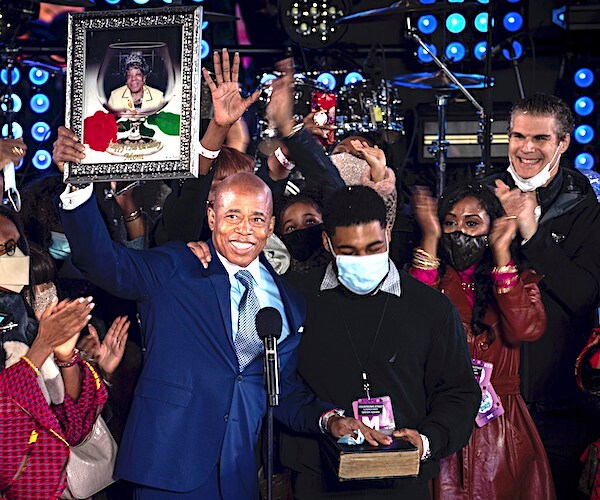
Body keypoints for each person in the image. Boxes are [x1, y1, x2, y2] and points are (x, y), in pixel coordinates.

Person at [53, 167, 389, 498]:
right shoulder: (177, 265)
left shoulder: (290, 302)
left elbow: (280, 391)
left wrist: (329, 419)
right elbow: (104, 263)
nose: (244, 230)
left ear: (270, 226)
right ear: (212, 218)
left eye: (257, 219)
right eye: (232, 216)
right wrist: (79, 189)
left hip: (238, 475)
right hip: (166, 467)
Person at [277, 185, 480, 499]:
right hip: (320, 480)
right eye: (349, 251)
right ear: (327, 242)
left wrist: (427, 440)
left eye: (373, 247)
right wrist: (327, 419)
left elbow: (459, 393)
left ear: (387, 233)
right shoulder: (297, 298)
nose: (363, 259)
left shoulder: (431, 308)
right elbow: (281, 386)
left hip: (404, 481)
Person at [409, 182, 554, 499]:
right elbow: (410, 324)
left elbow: (524, 329)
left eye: (472, 223)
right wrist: (431, 240)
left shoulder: (521, 280)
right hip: (442, 419)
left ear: (493, 229)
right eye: (450, 222)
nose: (459, 231)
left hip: (502, 427)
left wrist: (502, 256)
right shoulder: (431, 281)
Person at [487, 93, 600, 498]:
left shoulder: (587, 210)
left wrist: (532, 232)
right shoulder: (484, 197)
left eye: (540, 138)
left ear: (564, 143)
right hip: (493, 405)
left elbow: (582, 295)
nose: (527, 148)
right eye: (517, 136)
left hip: (559, 406)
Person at [0, 207, 107, 499]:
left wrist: (65, 355)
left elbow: (69, 424)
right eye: (4, 249)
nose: (15, 258)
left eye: (16, 246)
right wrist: (43, 346)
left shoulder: (25, 318)